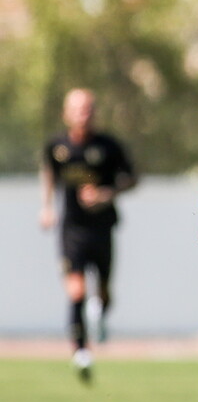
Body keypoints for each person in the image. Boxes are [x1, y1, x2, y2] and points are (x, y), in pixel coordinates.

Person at [40, 88, 137, 382]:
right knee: (77, 291)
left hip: (103, 229)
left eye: (90, 108)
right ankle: (81, 351)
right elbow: (48, 172)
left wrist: (106, 194)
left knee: (103, 293)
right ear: (66, 114)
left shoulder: (108, 147)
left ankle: (100, 313)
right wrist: (46, 207)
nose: (85, 113)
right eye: (79, 108)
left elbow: (131, 178)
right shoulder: (57, 147)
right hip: (71, 231)